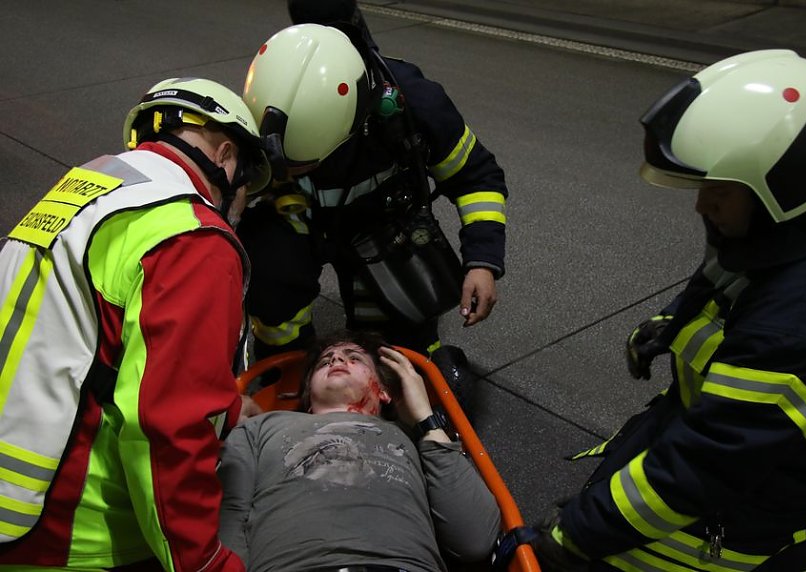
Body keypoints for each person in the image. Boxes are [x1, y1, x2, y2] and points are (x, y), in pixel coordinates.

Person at [516, 49, 806, 571]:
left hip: (737, 524)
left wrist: (571, 538)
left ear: (779, 189)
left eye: (717, 190)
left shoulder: (800, 328)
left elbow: (699, 467)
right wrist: (674, 322)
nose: (702, 205)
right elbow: (731, 274)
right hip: (759, 457)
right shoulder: (801, 207)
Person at [0, 77, 270, 570]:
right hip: (71, 531)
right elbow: (168, 425)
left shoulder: (83, 190)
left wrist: (228, 407)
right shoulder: (190, 235)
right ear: (228, 157)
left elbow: (86, 341)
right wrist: (204, 560)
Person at [238, 0, 509, 361]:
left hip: (381, 223)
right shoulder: (271, 91)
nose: (295, 168)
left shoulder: (414, 101)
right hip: (301, 217)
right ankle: (286, 359)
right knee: (268, 268)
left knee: (395, 347)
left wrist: (482, 262)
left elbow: (477, 176)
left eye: (305, 160)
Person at [218, 330, 501, 571]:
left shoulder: (413, 438)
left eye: (354, 359)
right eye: (324, 362)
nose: (337, 359)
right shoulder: (262, 427)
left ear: (384, 392)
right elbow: (231, 514)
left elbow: (475, 539)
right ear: (307, 393)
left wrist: (426, 420)